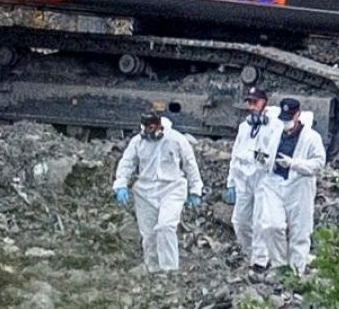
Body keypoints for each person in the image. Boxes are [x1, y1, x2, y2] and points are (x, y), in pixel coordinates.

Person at [112, 110, 204, 273]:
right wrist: (121, 184)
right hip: (145, 190)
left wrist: (195, 189)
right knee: (148, 234)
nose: (148, 131)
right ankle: (153, 269)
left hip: (172, 188)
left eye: (151, 127)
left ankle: (170, 269)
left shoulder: (176, 139)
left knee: (166, 226)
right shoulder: (137, 142)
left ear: (159, 126)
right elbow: (127, 163)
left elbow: (190, 164)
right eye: (146, 128)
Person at [255, 98, 327, 275]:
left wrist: (294, 164)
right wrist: (262, 159)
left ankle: (296, 272)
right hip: (274, 183)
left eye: (289, 118)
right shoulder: (275, 132)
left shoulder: (311, 138)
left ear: (298, 115)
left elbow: (319, 163)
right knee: (272, 225)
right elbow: (262, 151)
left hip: (299, 186)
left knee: (299, 231)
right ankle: (279, 266)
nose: (286, 122)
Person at [225, 86, 281, 262]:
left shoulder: (275, 126)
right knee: (239, 221)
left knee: (259, 221)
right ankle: (249, 253)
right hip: (244, 179)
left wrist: (253, 155)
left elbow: (272, 155)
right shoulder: (244, 127)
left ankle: (260, 260)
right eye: (249, 102)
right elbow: (235, 154)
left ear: (264, 103)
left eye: (255, 102)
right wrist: (231, 182)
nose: (251, 106)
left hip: (263, 178)